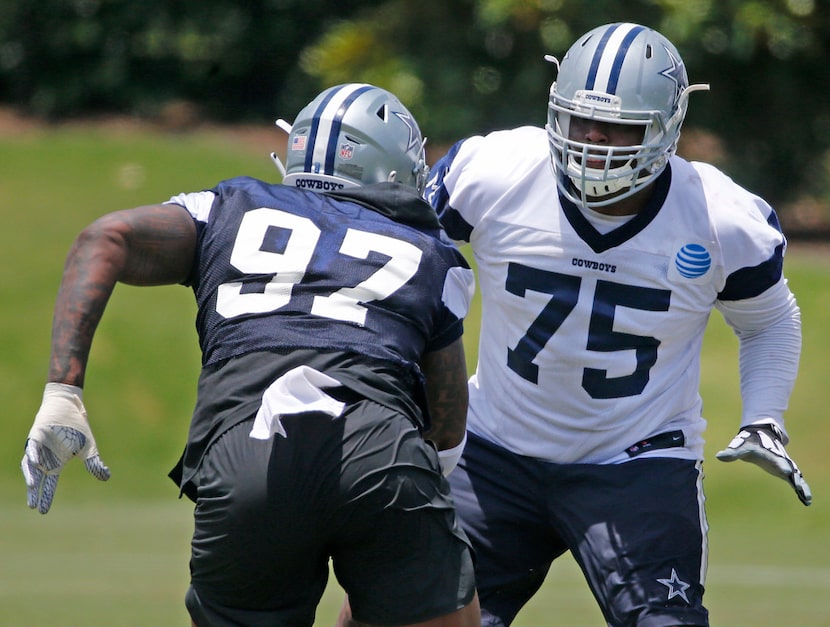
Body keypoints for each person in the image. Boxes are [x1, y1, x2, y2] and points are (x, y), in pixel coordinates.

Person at [21, 82, 481, 627]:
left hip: (249, 450)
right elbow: (447, 427)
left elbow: (106, 237)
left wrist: (63, 391)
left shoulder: (229, 206)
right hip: (382, 451)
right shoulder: (432, 254)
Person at [424, 22, 811, 627]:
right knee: (411, 619)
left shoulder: (721, 218)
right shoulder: (495, 170)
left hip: (637, 461)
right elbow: (407, 261)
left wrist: (765, 415)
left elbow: (768, 321)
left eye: (620, 128)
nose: (595, 144)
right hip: (495, 450)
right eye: (581, 122)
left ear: (668, 129)